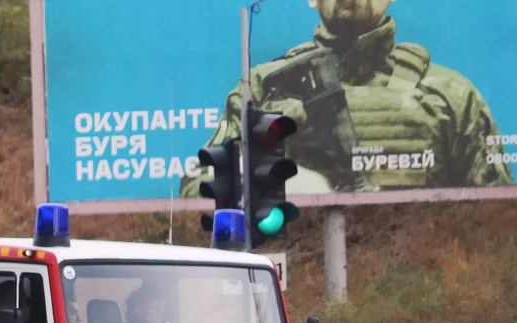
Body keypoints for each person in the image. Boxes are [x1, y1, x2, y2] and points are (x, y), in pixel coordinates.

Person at [180, 0, 513, 195]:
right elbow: (198, 189)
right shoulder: (265, 87)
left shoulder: (451, 95)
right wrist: (277, 185)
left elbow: (496, 216)